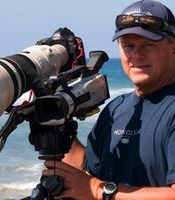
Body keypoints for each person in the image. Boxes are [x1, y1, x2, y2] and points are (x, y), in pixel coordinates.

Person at [42, 0, 175, 199]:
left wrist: (97, 190)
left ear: (172, 47)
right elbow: (88, 172)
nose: (136, 55)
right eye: (128, 45)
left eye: (148, 45)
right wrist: (56, 126)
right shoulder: (116, 108)